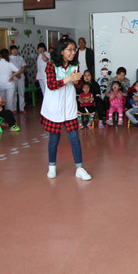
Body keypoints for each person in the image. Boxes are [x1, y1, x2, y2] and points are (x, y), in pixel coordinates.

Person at [40, 37, 91, 181]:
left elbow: (78, 85)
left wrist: (77, 80)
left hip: (69, 107)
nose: (73, 52)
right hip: (54, 108)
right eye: (70, 50)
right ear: (61, 51)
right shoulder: (51, 65)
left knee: (74, 138)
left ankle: (79, 168)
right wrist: (69, 78)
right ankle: (52, 166)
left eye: (74, 50)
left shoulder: (75, 65)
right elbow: (51, 85)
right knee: (54, 139)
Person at [9, 45, 27, 114]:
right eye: (13, 50)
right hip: (13, 77)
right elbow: (9, 68)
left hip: (21, 77)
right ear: (11, 51)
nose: (14, 51)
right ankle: (14, 108)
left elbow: (23, 67)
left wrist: (20, 73)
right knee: (13, 93)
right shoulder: (9, 58)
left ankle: (22, 108)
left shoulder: (20, 58)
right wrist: (16, 74)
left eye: (16, 49)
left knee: (21, 92)